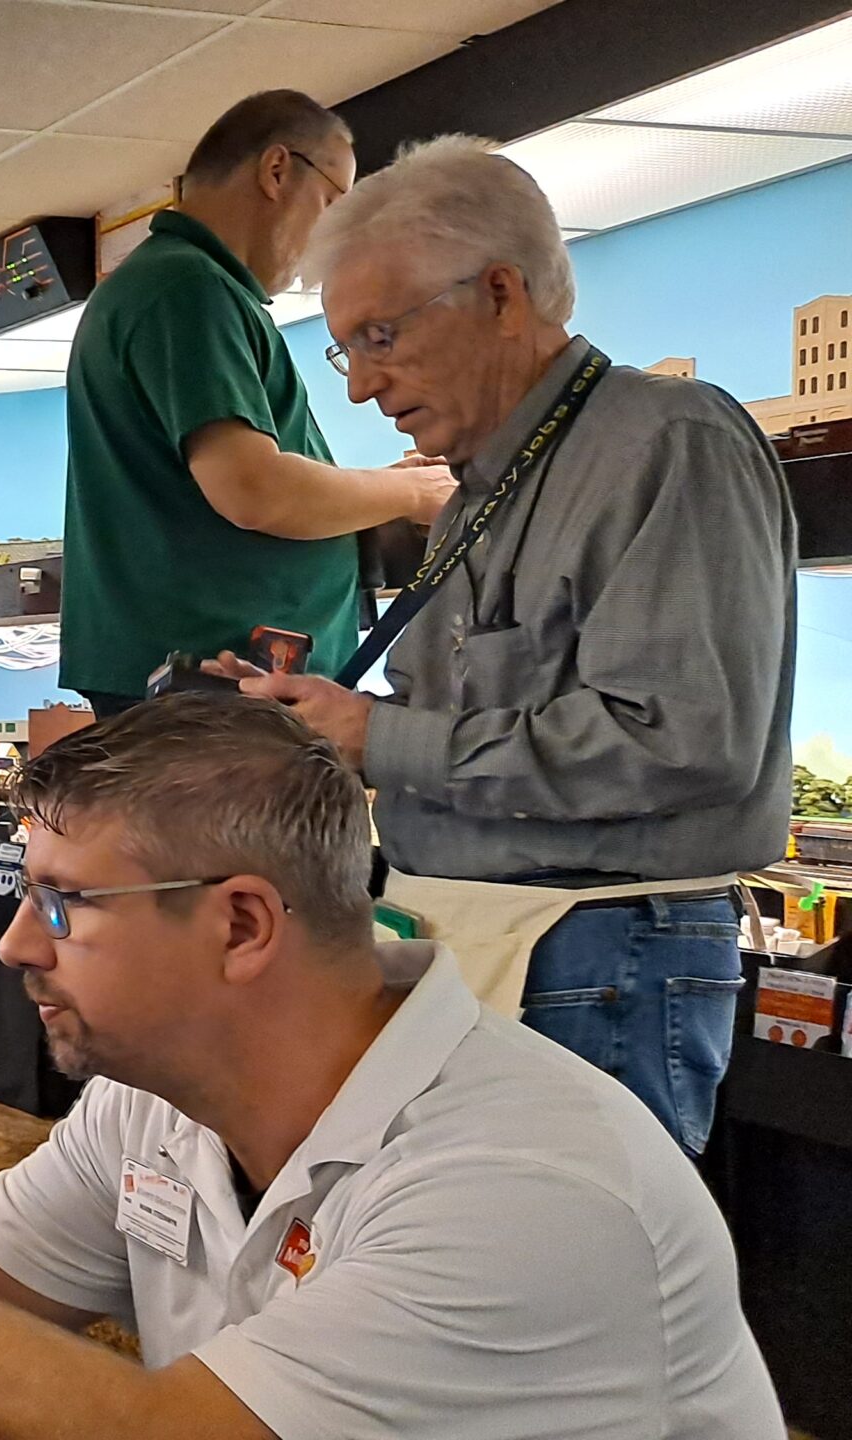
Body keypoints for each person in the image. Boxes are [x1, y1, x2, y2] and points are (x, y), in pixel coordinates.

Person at [0, 694, 782, 1440]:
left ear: (240, 926)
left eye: (62, 904)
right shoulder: (154, 1104)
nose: (15, 945)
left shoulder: (521, 1190)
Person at [230, 135, 795, 1157]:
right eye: (344, 348)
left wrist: (382, 741)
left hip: (594, 950)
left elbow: (679, 740)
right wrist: (330, 729)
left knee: (571, 1286)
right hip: (490, 940)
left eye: (381, 336)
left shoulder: (668, 439)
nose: (360, 386)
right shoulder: (473, 495)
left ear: (499, 292)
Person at [61, 90, 454, 717]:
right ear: (277, 171)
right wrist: (413, 495)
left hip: (213, 680)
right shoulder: (187, 288)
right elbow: (253, 490)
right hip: (209, 686)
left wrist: (380, 490)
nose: (335, 235)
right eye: (333, 203)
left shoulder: (184, 287)